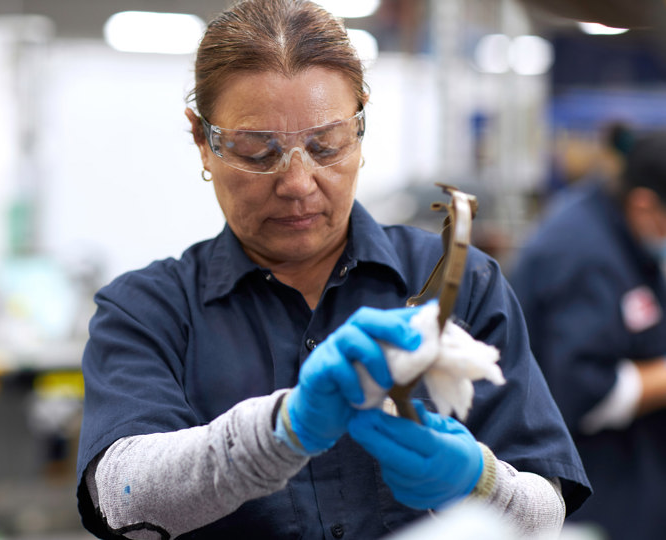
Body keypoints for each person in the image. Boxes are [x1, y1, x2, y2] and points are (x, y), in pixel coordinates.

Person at [76, 1, 590, 538]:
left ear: (361, 129)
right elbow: (122, 494)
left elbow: (544, 516)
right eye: (257, 151)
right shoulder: (147, 310)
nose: (298, 182)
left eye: (325, 145)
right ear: (203, 141)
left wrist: (479, 482)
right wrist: (283, 429)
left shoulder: (458, 284)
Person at [511, 131, 666, 540]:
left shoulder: (619, 229)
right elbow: (581, 390)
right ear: (645, 205)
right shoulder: (584, 257)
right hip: (592, 485)